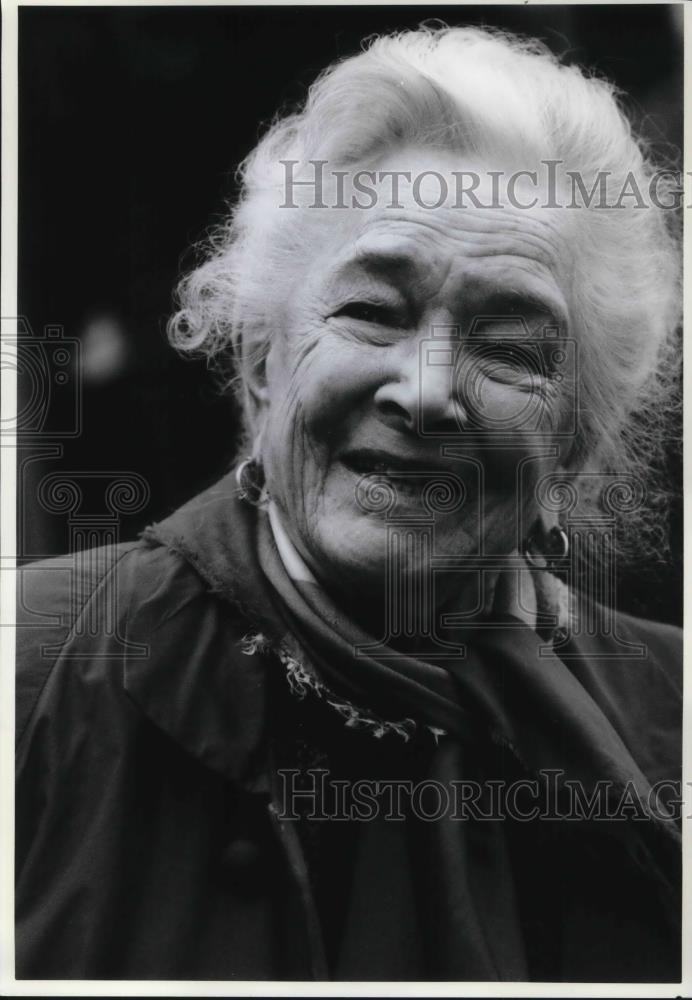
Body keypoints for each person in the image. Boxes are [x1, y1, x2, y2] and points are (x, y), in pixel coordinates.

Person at [15, 26, 682, 982]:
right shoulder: (34, 669)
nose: (425, 390)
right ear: (259, 362)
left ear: (572, 440)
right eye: (373, 310)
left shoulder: (675, 716)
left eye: (509, 345)